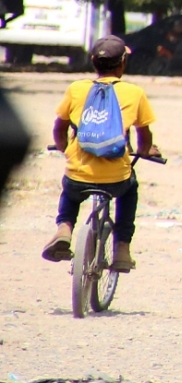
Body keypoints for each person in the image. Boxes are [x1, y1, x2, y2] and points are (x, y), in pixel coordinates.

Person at [42, 35, 159, 271]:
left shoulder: (76, 89)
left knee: (70, 189)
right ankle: (122, 248)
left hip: (79, 176)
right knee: (130, 189)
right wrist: (147, 150)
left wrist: (66, 150)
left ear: (93, 61)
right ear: (123, 63)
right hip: (116, 178)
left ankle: (64, 228)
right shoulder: (134, 93)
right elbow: (144, 135)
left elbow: (59, 128)